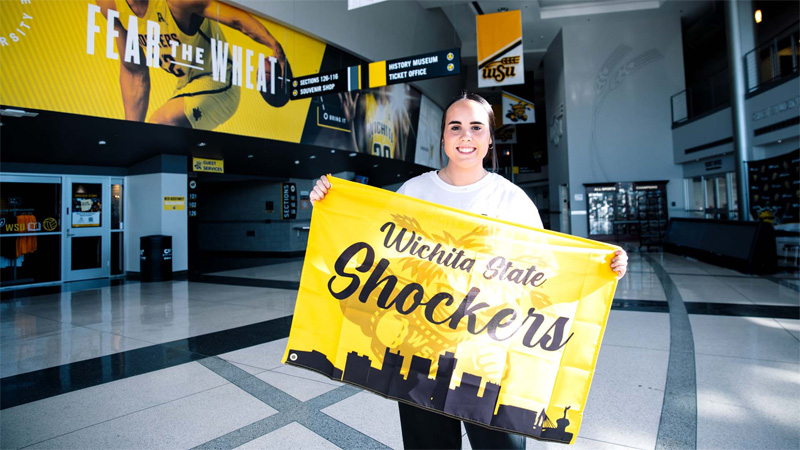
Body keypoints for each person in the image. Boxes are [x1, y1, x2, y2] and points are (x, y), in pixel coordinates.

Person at [310, 92, 628, 449]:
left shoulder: (511, 201)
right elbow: (372, 251)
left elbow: (547, 273)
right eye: (455, 127)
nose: (465, 136)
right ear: (442, 137)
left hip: (490, 357)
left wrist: (603, 267)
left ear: (489, 138)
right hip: (420, 356)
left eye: (476, 128)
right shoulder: (414, 192)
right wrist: (329, 202)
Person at [96, 0, 291, 130]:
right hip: (186, 85)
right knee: (151, 136)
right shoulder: (110, 5)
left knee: (159, 123)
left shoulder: (176, 3)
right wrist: (133, 135)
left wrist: (273, 44)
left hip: (220, 81)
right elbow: (134, 71)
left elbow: (237, 20)